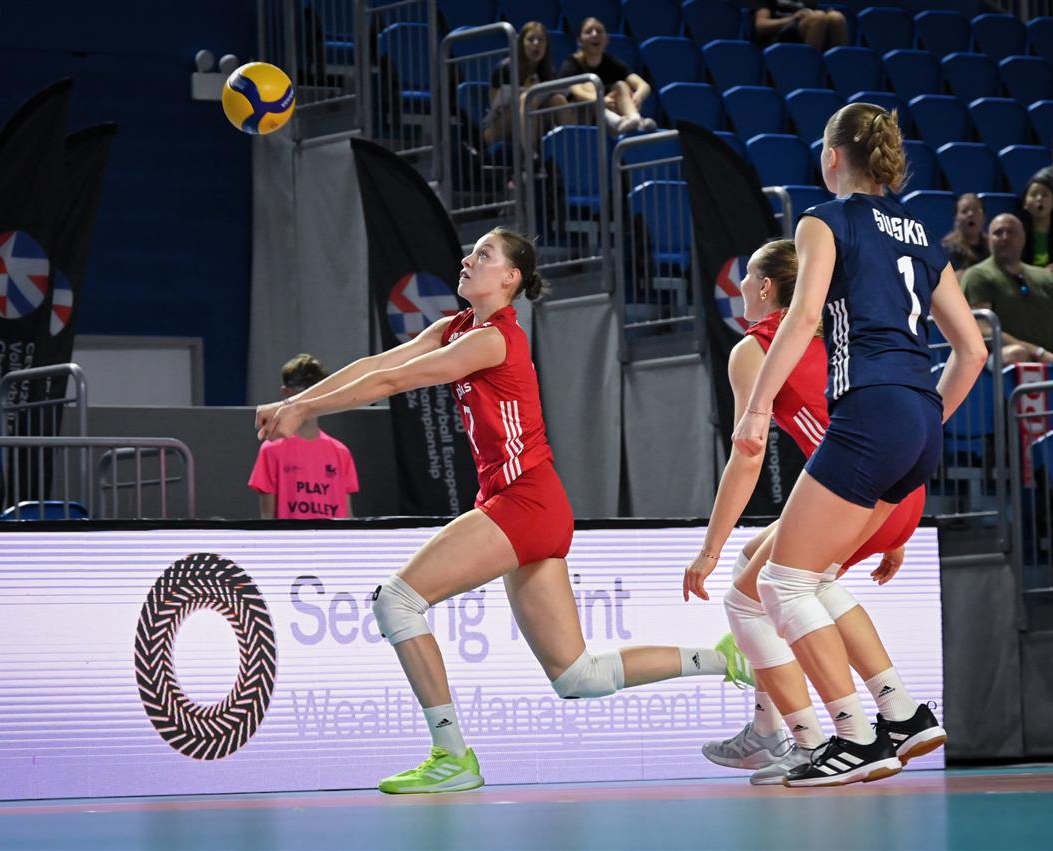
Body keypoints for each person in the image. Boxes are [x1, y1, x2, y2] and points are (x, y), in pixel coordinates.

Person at [256, 228, 730, 794]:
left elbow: (393, 380)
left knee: (396, 602)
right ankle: (725, 660)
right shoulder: (454, 328)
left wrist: (303, 408)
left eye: (484, 255)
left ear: (510, 278)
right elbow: (377, 361)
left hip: (525, 500)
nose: (468, 258)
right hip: (526, 502)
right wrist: (297, 402)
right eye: (471, 251)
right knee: (578, 676)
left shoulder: (495, 339)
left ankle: (452, 755)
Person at [727, 103, 986, 786]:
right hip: (921, 417)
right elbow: (973, 350)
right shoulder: (923, 233)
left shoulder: (826, 219)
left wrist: (756, 408)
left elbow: (803, 315)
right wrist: (923, 415)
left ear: (832, 155)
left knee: (781, 583)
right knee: (813, 578)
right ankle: (901, 712)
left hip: (870, 408)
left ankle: (855, 736)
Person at [682, 239, 935, 786]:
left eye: (748, 277)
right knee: (783, 570)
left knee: (747, 600)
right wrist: (895, 531)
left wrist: (708, 549)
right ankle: (899, 709)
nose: (741, 286)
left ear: (765, 287)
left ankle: (817, 741)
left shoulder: (755, 347)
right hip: (898, 489)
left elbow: (748, 457)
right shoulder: (847, 334)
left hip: (851, 491)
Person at [962, 213, 1053, 370]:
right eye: (998, 233)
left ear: (1023, 238)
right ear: (989, 239)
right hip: (997, 360)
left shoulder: (1046, 277)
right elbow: (984, 329)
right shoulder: (978, 275)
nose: (1005, 237)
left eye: (1011, 232)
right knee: (1017, 353)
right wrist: (1039, 353)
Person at [248, 354, 359, 520]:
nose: (308, 397)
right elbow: (268, 520)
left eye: (314, 390)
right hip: (291, 538)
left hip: (332, 538)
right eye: (303, 390)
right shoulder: (271, 450)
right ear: (286, 392)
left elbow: (347, 517)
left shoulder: (341, 452)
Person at [558, 18, 655, 135]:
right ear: (579, 41)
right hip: (581, 118)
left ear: (606, 39)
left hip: (608, 111)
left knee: (621, 85)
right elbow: (577, 92)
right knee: (590, 84)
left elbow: (643, 85)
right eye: (588, 31)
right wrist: (602, 100)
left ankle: (635, 119)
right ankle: (617, 122)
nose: (595, 34)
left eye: (599, 31)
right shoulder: (571, 63)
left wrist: (638, 96)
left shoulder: (612, 62)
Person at [482, 21, 562, 147]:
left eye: (541, 40)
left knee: (558, 99)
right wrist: (527, 92)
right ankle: (531, 155)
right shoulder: (505, 68)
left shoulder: (548, 71)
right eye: (531, 39)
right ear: (521, 43)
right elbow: (495, 106)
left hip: (532, 121)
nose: (536, 44)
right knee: (527, 99)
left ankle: (574, 149)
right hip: (499, 125)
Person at [750, 1, 849, 52]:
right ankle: (809, 70)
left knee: (836, 17)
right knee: (818, 18)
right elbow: (761, 25)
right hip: (777, 36)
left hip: (804, 29)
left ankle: (839, 73)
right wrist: (792, 18)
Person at [942, 193, 989, 279]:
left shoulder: (992, 247)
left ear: (984, 218)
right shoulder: (947, 249)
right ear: (956, 219)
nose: (971, 214)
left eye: (976, 210)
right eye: (964, 211)